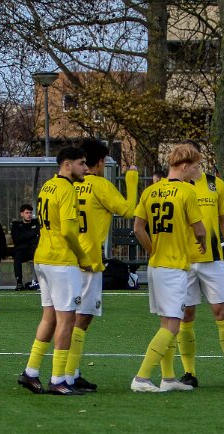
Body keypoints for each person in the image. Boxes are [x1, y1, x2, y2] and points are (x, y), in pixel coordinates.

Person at [63, 138, 139, 392]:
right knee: (82, 319)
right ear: (100, 162)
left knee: (65, 317)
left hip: (64, 258)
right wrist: (131, 180)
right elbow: (129, 210)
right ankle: (69, 374)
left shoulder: (69, 185)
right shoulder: (99, 185)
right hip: (88, 260)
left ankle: (67, 372)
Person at [131, 143, 207, 393]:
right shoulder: (186, 192)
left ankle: (168, 377)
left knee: (167, 323)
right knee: (174, 324)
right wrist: (203, 242)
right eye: (195, 167)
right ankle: (141, 378)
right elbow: (199, 229)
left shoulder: (151, 190)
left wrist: (152, 250)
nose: (196, 172)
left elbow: (137, 227)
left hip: (156, 265)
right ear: (184, 166)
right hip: (174, 267)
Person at [17, 146, 90, 395]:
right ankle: (58, 379)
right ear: (67, 165)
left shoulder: (48, 185)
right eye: (81, 163)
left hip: (42, 258)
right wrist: (82, 257)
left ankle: (31, 372)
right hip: (61, 261)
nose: (86, 168)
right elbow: (69, 231)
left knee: (49, 317)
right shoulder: (68, 189)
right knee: (67, 319)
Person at [174, 141, 224, 390]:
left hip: (212, 261)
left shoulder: (215, 183)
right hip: (183, 262)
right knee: (186, 315)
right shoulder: (174, 187)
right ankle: (189, 373)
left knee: (222, 313)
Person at [10, 204, 41, 290]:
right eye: (27, 213)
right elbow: (18, 239)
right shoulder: (16, 225)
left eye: (30, 213)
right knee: (17, 257)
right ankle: (19, 282)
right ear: (22, 214)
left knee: (39, 253)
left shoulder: (36, 223)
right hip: (21, 250)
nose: (29, 215)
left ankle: (40, 282)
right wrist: (33, 233)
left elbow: (39, 236)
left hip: (33, 249)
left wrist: (26, 237)